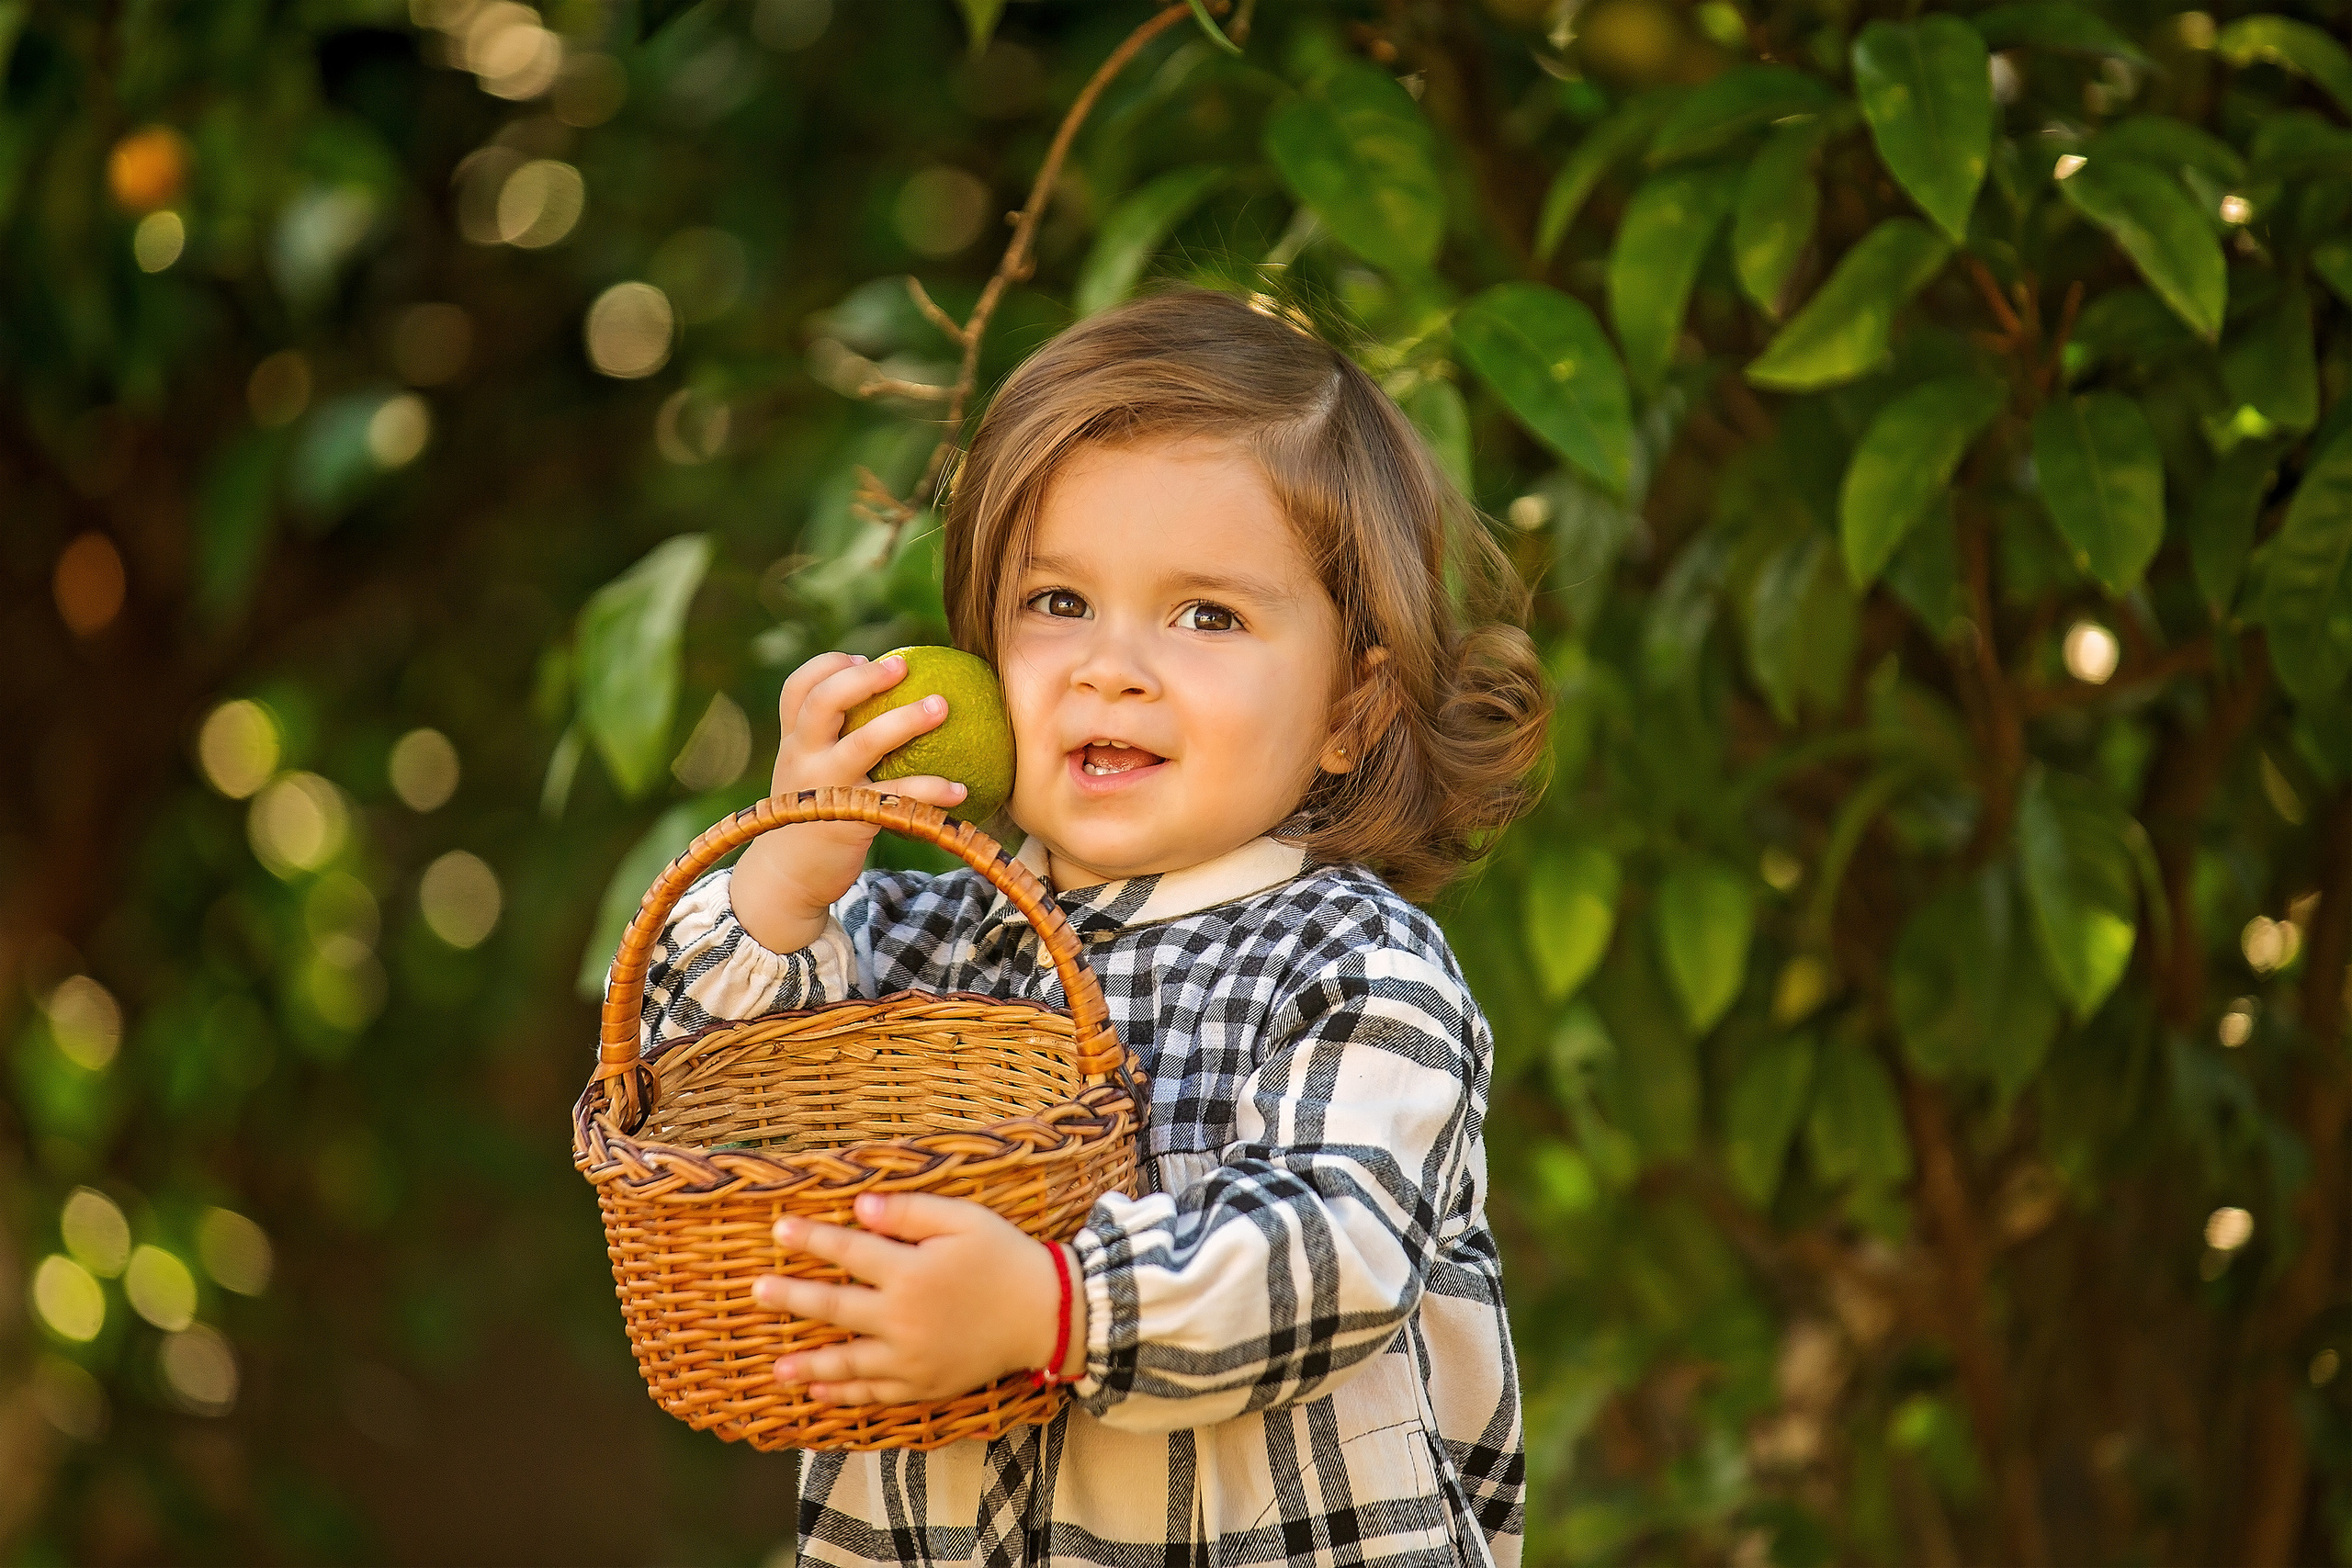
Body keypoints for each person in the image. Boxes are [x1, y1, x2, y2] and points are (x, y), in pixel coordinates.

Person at [639, 288, 1550, 1568]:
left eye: (1205, 615)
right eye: (1056, 603)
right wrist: (786, 875)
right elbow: (690, 1084)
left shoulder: (1354, 964)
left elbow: (1332, 1254)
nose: (1108, 666)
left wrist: (1054, 1308)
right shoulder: (926, 950)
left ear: (1353, 707)